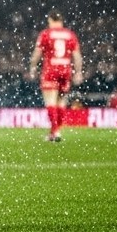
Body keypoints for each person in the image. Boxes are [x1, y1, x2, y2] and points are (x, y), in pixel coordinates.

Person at [27, 10, 83, 142]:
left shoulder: (46, 34)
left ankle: (55, 132)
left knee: (50, 101)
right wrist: (78, 72)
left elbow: (37, 53)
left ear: (51, 20)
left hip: (51, 70)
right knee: (61, 102)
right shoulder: (70, 35)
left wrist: (33, 67)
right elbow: (77, 56)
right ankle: (56, 132)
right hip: (65, 70)